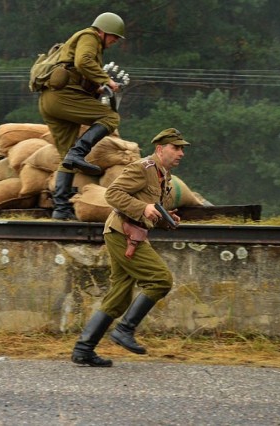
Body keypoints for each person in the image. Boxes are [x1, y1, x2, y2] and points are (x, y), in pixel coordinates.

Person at [71, 128, 189, 367]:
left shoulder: (163, 176)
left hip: (133, 234)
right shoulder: (142, 168)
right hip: (121, 232)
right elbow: (113, 194)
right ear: (160, 149)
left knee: (120, 296)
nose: (181, 153)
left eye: (182, 149)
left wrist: (168, 219)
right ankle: (125, 329)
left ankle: (83, 350)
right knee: (160, 280)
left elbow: (153, 210)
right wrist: (142, 208)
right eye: (176, 148)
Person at [38, 12, 125, 220]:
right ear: (102, 31)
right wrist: (107, 81)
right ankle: (79, 153)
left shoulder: (88, 41)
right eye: (113, 36)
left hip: (50, 101)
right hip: (63, 97)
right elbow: (83, 61)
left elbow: (79, 71)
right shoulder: (90, 37)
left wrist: (97, 88)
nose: (114, 42)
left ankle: (61, 209)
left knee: (65, 157)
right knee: (111, 118)